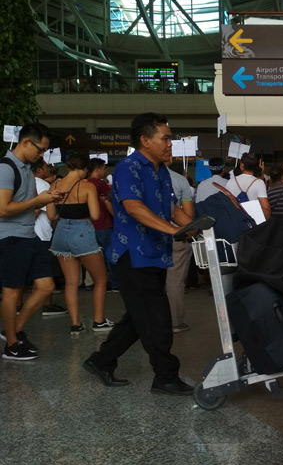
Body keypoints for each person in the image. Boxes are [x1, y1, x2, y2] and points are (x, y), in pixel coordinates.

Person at [83, 113, 195, 395]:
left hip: (155, 254)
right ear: (145, 141)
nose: (171, 143)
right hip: (132, 255)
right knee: (156, 318)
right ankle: (165, 376)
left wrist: (193, 227)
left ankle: (100, 360)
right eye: (166, 138)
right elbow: (133, 207)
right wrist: (172, 231)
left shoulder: (162, 172)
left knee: (138, 317)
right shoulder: (127, 168)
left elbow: (171, 209)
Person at [0, 123, 63, 360]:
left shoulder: (26, 167)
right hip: (11, 237)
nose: (42, 155)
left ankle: (12, 331)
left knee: (46, 287)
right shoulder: (6, 168)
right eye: (40, 149)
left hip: (28, 235)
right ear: (26, 142)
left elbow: (28, 202)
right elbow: (3, 209)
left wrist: (48, 198)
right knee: (12, 293)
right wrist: (40, 200)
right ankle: (12, 345)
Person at [46, 153, 114, 335]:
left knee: (71, 282)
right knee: (100, 279)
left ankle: (76, 324)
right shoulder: (87, 186)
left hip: (60, 234)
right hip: (82, 233)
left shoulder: (54, 185)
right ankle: (99, 321)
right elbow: (95, 215)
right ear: (84, 169)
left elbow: (51, 216)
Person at [32, 159, 67, 316]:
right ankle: (47, 304)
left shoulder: (24, 182)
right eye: (46, 166)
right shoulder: (44, 185)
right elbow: (48, 213)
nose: (49, 169)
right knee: (45, 271)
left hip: (27, 233)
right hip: (42, 234)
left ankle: (17, 306)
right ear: (39, 170)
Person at [166, 159, 195, 333]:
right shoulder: (180, 180)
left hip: (149, 238)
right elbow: (188, 215)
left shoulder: (139, 177)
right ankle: (175, 322)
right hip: (175, 235)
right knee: (175, 281)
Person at [86, 158, 117, 292]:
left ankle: (91, 283)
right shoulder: (100, 184)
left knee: (93, 257)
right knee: (110, 256)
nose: (105, 171)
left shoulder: (84, 184)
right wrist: (115, 217)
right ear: (97, 169)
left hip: (89, 226)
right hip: (104, 224)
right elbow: (108, 202)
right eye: (104, 168)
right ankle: (114, 284)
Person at [226, 152, 270, 220]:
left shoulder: (230, 181)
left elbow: (227, 204)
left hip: (237, 220)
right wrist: (266, 223)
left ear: (242, 165)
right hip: (254, 221)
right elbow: (266, 207)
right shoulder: (259, 183)